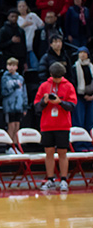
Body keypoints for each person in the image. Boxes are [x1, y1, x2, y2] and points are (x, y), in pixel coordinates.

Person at [34, 62, 76, 192]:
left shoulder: (68, 86)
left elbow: (72, 105)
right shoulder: (44, 86)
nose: (57, 79)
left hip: (63, 125)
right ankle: (50, 179)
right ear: (51, 75)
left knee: (63, 153)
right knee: (49, 153)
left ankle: (63, 179)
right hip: (47, 125)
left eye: (59, 77)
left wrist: (60, 102)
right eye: (55, 77)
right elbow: (36, 107)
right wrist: (44, 101)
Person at [1, 57, 27, 147]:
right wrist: (15, 86)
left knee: (17, 126)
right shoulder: (5, 78)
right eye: (9, 65)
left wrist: (25, 106)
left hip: (19, 105)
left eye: (13, 65)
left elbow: (24, 93)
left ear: (16, 67)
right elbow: (4, 92)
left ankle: (16, 146)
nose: (11, 67)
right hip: (9, 106)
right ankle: (9, 146)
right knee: (11, 126)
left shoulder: (20, 78)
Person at [72, 47, 93, 144]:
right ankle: (79, 145)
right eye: (80, 53)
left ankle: (90, 143)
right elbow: (73, 83)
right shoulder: (74, 67)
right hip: (79, 97)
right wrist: (83, 95)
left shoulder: (91, 67)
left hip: (91, 98)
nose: (83, 54)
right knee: (79, 122)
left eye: (85, 52)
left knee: (90, 122)